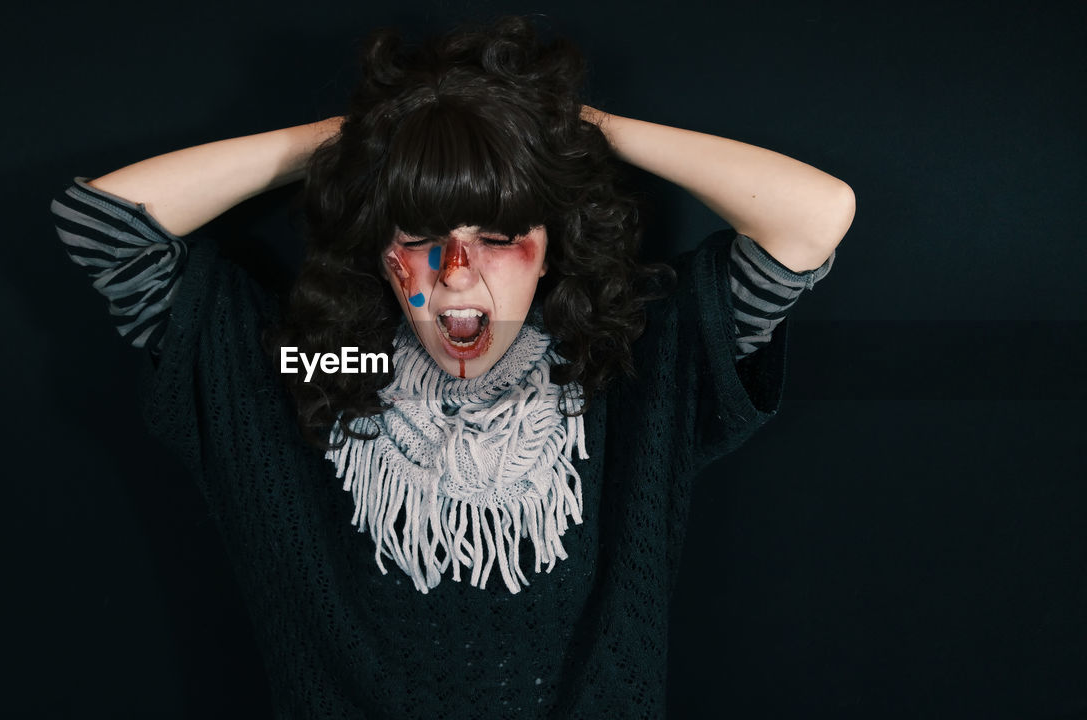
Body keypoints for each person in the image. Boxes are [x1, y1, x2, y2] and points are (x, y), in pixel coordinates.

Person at [51, 15, 852, 719]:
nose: (458, 269)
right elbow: (104, 223)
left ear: (551, 252)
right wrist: (371, 136)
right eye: (421, 233)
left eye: (501, 236)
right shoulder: (314, 367)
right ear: (380, 249)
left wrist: (569, 128)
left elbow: (814, 218)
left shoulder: (625, 371)